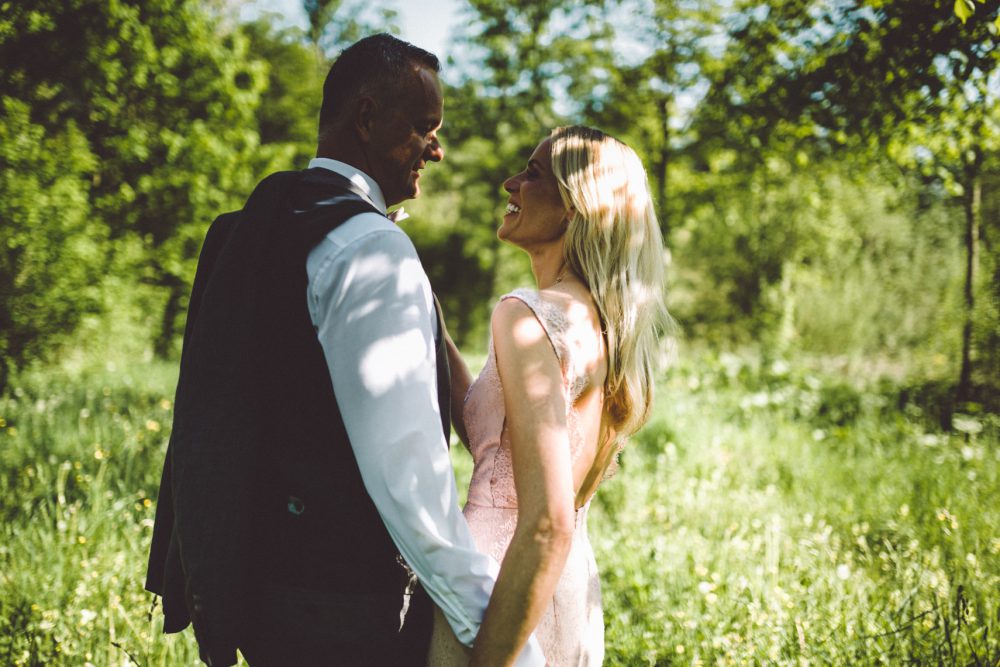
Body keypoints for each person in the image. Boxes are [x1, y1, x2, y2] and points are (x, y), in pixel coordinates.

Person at [145, 34, 543, 666]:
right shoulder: (369, 248)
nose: (435, 150)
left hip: (260, 593)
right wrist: (504, 641)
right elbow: (410, 481)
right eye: (421, 127)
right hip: (346, 611)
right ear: (365, 119)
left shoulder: (263, 219)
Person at [427, 125, 669, 666]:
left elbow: (545, 521)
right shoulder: (603, 325)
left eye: (533, 174)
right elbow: (505, 450)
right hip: (567, 589)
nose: (510, 183)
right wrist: (434, 330)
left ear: (574, 206)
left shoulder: (528, 316)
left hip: (502, 588)